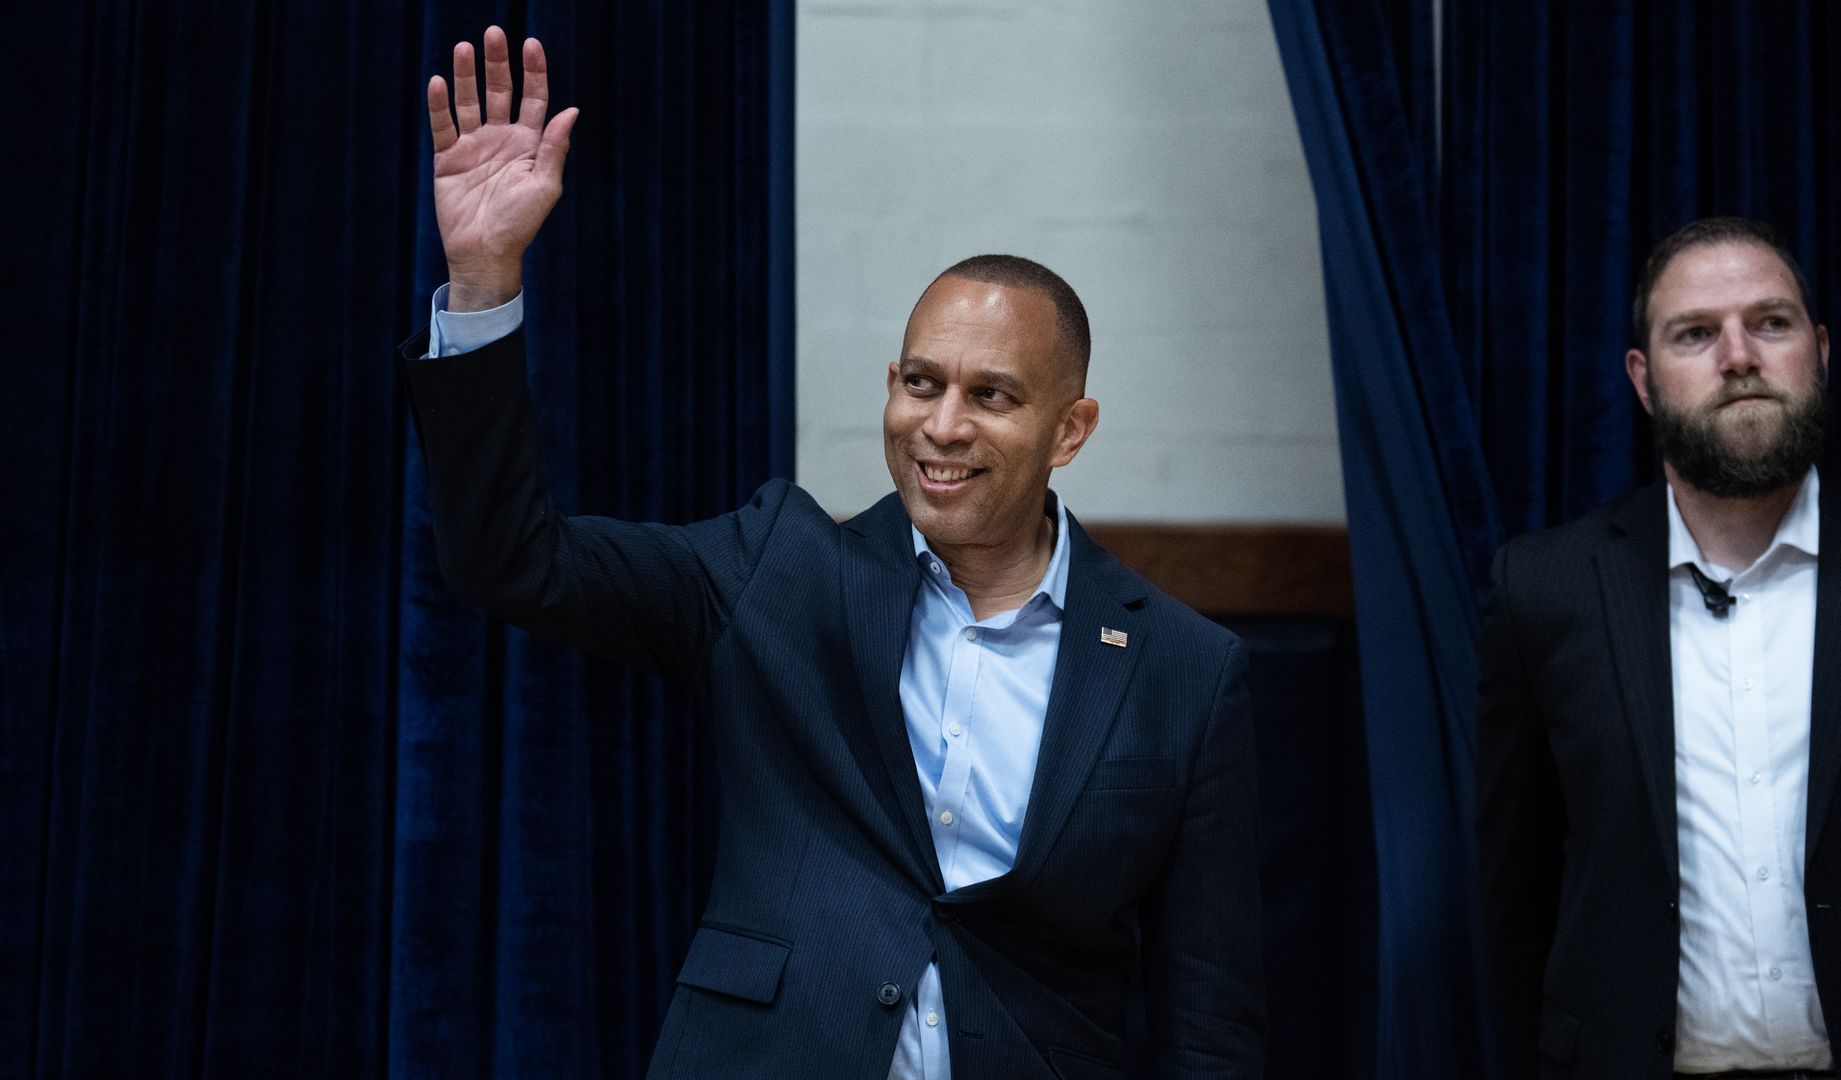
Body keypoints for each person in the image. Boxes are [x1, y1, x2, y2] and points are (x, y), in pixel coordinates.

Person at [403, 27, 1264, 1079]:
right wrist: (485, 283)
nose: (941, 425)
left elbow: (1211, 1021)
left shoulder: (1184, 672)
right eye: (919, 382)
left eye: (990, 396)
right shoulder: (778, 568)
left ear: (1070, 431)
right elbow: (510, 561)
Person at [1477, 216, 1841, 1079]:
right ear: (1644, 380)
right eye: (1695, 333)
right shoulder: (1546, 588)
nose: (1739, 356)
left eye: (1771, 323)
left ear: (1819, 351)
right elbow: (1515, 889)